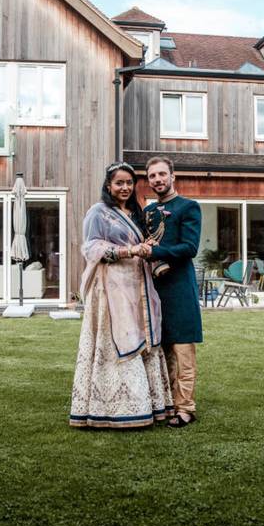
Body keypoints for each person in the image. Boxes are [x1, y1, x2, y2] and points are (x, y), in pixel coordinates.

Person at [69, 162, 174, 428]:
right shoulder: (98, 212)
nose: (125, 187)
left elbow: (145, 244)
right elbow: (90, 247)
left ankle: (147, 404)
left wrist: (149, 250)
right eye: (119, 183)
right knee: (117, 337)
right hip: (111, 287)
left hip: (138, 285)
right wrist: (128, 251)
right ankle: (112, 409)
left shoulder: (138, 213)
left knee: (142, 336)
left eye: (129, 182)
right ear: (108, 185)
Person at [144, 156, 203, 428]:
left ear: (172, 176)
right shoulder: (149, 212)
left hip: (180, 288)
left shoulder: (189, 207)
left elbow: (190, 248)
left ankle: (186, 408)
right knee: (162, 350)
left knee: (182, 351)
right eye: (152, 176)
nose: (157, 180)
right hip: (156, 289)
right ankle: (167, 404)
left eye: (161, 174)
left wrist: (156, 251)